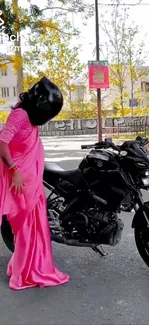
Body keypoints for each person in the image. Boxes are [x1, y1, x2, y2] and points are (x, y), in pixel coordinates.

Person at [0, 76, 69, 290]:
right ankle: (24, 273)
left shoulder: (27, 116)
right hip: (19, 181)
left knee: (36, 227)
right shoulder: (20, 115)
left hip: (33, 181)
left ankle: (30, 268)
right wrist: (14, 171)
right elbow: (2, 143)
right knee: (27, 228)